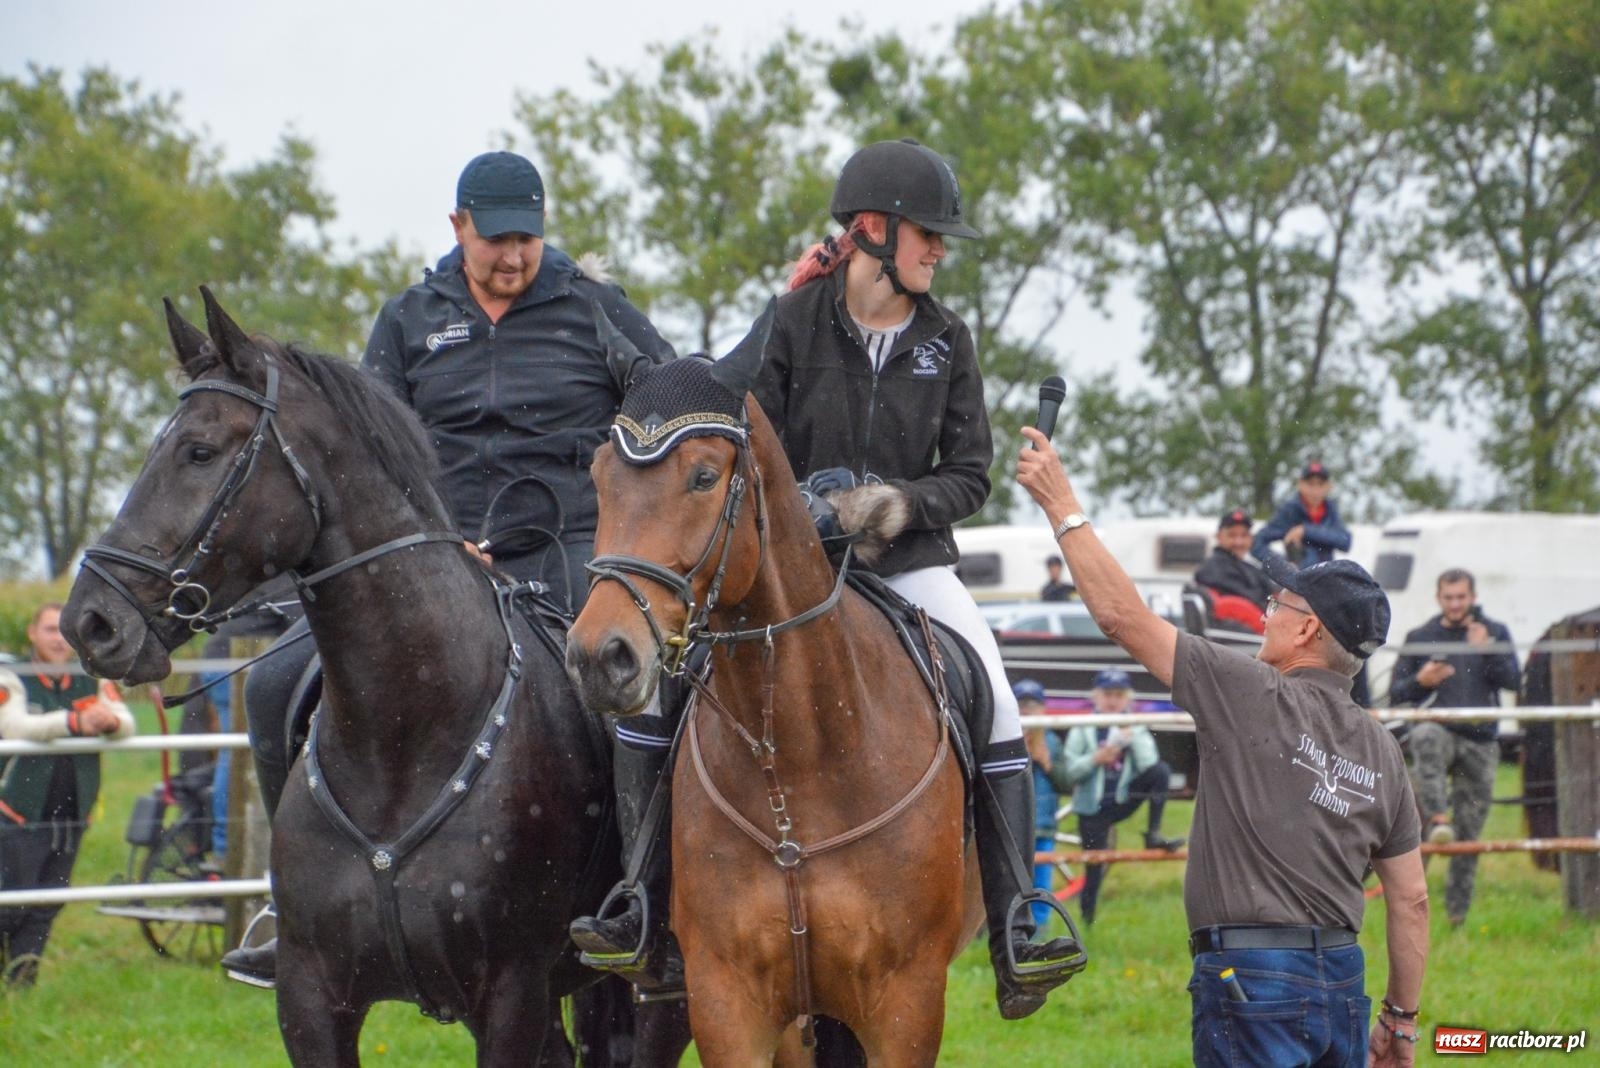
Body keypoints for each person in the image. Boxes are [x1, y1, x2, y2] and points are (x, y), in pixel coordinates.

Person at [222, 150, 676, 988]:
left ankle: (644, 900)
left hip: (569, 549)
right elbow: (364, 446)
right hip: (435, 558)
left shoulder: (596, 307)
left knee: (640, 698)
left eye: (528, 241)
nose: (513, 257)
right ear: (457, 226)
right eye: (496, 240)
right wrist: (435, 536)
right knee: (274, 681)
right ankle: (298, 908)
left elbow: (667, 403)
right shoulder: (408, 318)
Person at [748, 137, 1084, 1019]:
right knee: (684, 686)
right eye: (927, 235)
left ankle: (1018, 925)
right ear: (872, 230)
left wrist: (894, 503)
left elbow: (969, 472)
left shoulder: (947, 338)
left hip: (913, 567)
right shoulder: (793, 322)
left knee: (1001, 704)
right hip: (795, 573)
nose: (938, 250)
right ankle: (650, 904)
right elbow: (733, 419)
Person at [1017, 430, 1428, 1066]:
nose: (1266, 612)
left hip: (1252, 977)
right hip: (1343, 978)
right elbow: (1412, 898)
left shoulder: (1248, 690)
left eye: (1278, 603)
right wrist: (1400, 1022)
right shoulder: (1381, 748)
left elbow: (1121, 618)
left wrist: (1060, 503)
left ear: (1307, 629)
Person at [0, 603, 135, 988]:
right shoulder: (11, 675)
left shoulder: (90, 676)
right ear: (31, 633)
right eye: (48, 630)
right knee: (10, 902)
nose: (57, 640)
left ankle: (22, 982)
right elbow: (13, 726)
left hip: (74, 810)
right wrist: (74, 722)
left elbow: (125, 723)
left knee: (47, 903)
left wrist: (107, 721)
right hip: (18, 809)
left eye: (63, 631)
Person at [1388, 568, 1520, 927]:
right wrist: (1421, 680)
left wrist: (1488, 651)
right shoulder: (1421, 636)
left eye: (1462, 597)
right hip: (1439, 735)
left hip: (1481, 741)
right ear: (1438, 598)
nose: (1456, 604)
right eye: (1449, 597)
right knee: (1425, 735)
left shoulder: (1494, 632)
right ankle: (1436, 817)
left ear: (1473, 597)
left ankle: (1457, 918)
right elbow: (1397, 694)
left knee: (1470, 833)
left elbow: (1513, 681)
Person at [1049, 669, 1183, 928]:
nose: (1112, 700)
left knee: (1162, 772)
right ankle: (1088, 924)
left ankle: (1153, 832)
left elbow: (1149, 764)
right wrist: (1095, 759)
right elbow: (1069, 772)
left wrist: (1130, 737)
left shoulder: (1134, 723)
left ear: (1127, 698)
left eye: (1118, 695)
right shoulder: (1084, 728)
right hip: (1092, 807)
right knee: (1094, 868)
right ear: (1097, 697)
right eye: (1107, 694)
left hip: (1122, 799)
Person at [1017, 679, 1061, 929]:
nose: (1027, 710)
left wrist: (1047, 764)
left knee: (1042, 882)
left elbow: (1067, 780)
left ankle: (1040, 928)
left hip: (1043, 823)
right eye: (1022, 704)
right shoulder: (1006, 744)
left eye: (1032, 705)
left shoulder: (1052, 742)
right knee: (1013, 880)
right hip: (1013, 825)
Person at [1252, 460, 1351, 569]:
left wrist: (1306, 531)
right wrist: (1282, 564)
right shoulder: (1290, 511)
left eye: (1320, 484)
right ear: (1300, 484)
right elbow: (1257, 543)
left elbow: (1345, 541)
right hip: (1297, 581)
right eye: (1310, 484)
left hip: (1325, 579)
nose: (1315, 490)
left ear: (1328, 486)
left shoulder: (1330, 509)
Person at [1193, 508, 1274, 613]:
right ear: (1218, 537)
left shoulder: (1248, 567)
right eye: (1232, 535)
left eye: (1244, 535)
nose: (1238, 542)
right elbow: (1251, 599)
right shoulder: (1213, 569)